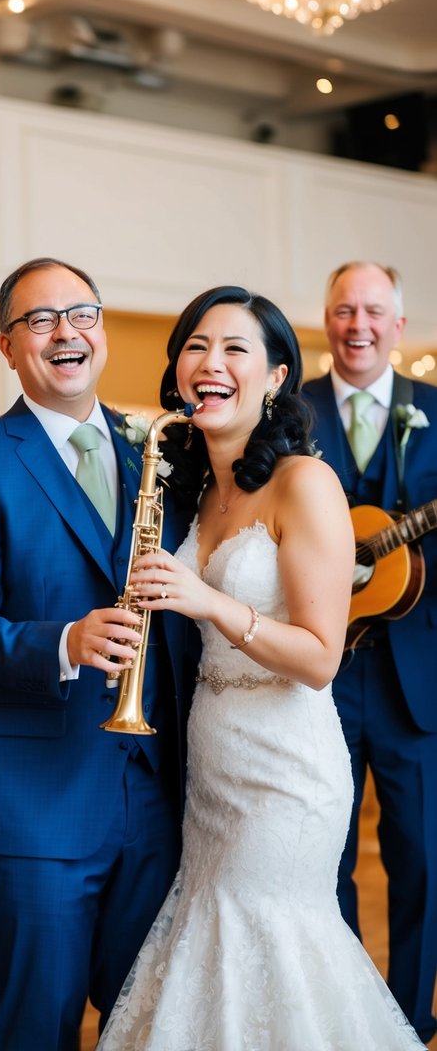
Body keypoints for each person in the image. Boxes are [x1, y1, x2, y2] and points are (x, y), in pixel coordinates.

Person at [97, 284, 425, 1050]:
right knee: (211, 950)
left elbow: (317, 658)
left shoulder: (304, 482)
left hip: (286, 772)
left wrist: (206, 603)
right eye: (195, 347)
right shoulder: (196, 488)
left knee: (267, 945)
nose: (209, 364)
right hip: (212, 758)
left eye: (234, 349)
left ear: (277, 377)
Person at [0, 257, 197, 1051]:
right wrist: (64, 644)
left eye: (81, 314)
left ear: (102, 330)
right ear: (7, 348)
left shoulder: (158, 451)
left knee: (142, 1020)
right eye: (40, 320)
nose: (65, 332)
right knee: (34, 1026)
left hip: (155, 796)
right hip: (35, 806)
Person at [303, 261, 437, 1044]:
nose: (357, 324)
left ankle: (414, 1018)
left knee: (422, 861)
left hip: (414, 677)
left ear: (398, 324)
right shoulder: (291, 412)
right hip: (313, 676)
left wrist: (397, 571)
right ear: (327, 321)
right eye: (343, 310)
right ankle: (350, 1018)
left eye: (372, 311)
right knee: (327, 857)